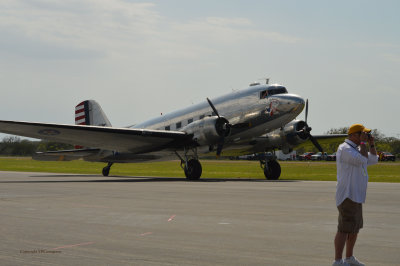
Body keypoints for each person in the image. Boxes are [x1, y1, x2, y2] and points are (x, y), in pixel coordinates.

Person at [332, 124, 378, 266]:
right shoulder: (344, 148)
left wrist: (371, 144)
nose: (364, 136)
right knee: (344, 229)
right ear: (352, 135)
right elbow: (363, 160)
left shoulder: (358, 149)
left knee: (354, 229)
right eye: (361, 134)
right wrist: (363, 143)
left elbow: (373, 159)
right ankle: (338, 261)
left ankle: (349, 258)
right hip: (347, 195)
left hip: (357, 195)